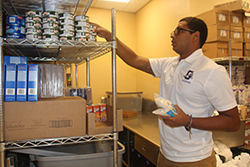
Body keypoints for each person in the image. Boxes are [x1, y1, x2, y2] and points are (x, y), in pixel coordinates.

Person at [91, 17, 241, 167]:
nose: (172, 35)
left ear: (195, 36)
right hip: (165, 156)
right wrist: (111, 37)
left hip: (194, 160)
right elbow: (135, 59)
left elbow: (233, 122)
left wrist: (188, 121)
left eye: (178, 31)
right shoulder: (169, 64)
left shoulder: (212, 71)